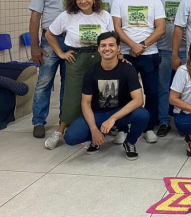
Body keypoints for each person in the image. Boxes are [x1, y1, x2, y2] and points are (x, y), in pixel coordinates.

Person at [41, 0, 115, 150]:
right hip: (76, 58)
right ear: (74, 0)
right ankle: (60, 130)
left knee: (99, 95)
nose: (84, 1)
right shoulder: (67, 15)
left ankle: (90, 131)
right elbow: (49, 34)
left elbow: (111, 38)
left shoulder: (104, 15)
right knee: (72, 96)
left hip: (99, 58)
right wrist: (61, 53)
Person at [62, 32, 150, 160]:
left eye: (111, 45)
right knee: (70, 137)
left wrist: (113, 119)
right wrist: (93, 130)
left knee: (142, 115)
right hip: (98, 114)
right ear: (98, 49)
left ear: (118, 48)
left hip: (120, 113)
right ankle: (95, 139)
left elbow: (138, 100)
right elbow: (85, 103)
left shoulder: (128, 69)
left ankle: (130, 142)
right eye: (103, 45)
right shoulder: (91, 72)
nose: (107, 48)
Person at [28, 0, 82, 138]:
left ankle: (64, 119)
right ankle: (38, 122)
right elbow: (35, 16)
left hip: (73, 40)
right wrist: (35, 46)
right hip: (50, 39)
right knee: (44, 81)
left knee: (70, 82)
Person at [111, 0, 166, 144]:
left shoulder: (154, 1)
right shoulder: (119, 0)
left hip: (149, 54)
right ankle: (123, 128)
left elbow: (161, 29)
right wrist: (132, 45)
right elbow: (116, 28)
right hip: (125, 54)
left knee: (151, 92)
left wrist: (141, 45)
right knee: (124, 92)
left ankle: (148, 128)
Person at [154, 0, 191, 137]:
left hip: (187, 51)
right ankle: (164, 121)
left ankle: (186, 120)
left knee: (188, 88)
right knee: (163, 88)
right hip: (163, 49)